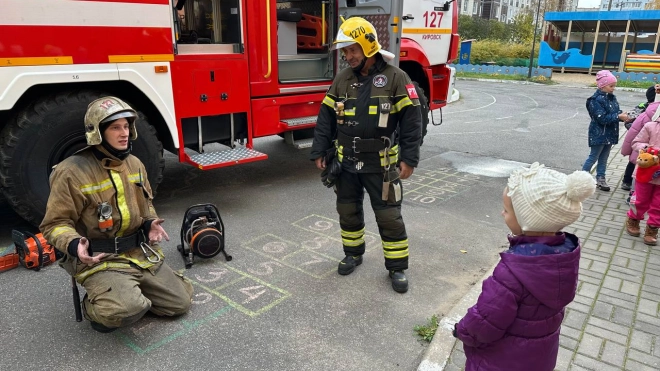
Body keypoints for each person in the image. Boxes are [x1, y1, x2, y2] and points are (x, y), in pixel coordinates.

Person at [40, 97, 193, 333]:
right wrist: (72, 243)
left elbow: (146, 203)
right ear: (97, 132)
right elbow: (54, 224)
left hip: (137, 252)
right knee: (122, 311)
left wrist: (150, 222)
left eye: (126, 126)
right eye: (115, 127)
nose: (124, 133)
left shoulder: (134, 164)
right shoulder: (71, 171)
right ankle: (98, 306)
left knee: (180, 304)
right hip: (101, 258)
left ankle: (130, 292)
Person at [309, 17, 422, 293]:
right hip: (346, 162)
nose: (348, 57)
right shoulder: (342, 79)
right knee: (347, 211)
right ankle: (353, 253)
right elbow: (325, 116)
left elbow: (412, 119)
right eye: (345, 52)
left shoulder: (396, 78)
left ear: (368, 46)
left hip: (381, 165)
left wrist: (410, 158)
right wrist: (320, 149)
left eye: (352, 50)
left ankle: (397, 268)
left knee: (389, 216)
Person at [452, 163, 595, 371]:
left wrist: (462, 330)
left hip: (500, 362)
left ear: (529, 220)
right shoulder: (564, 258)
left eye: (507, 210)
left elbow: (484, 323)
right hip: (540, 359)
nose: (502, 213)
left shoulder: (512, 271)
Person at [581, 70, 629, 191]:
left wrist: (623, 116)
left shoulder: (611, 98)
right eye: (611, 86)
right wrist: (618, 117)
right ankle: (581, 178)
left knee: (604, 157)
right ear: (602, 85)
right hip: (598, 133)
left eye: (614, 86)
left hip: (610, 133)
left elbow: (614, 112)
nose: (613, 88)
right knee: (593, 157)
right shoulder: (595, 100)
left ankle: (601, 178)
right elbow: (601, 118)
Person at [625, 110, 660, 245]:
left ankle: (652, 228)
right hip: (645, 171)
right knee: (640, 199)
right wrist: (645, 148)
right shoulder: (651, 126)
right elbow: (636, 142)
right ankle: (633, 219)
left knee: (658, 204)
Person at [620, 85, 660, 191]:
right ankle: (631, 186)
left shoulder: (644, 112)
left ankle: (629, 185)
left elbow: (632, 132)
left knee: (635, 165)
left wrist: (626, 149)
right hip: (646, 150)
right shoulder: (643, 110)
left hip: (639, 150)